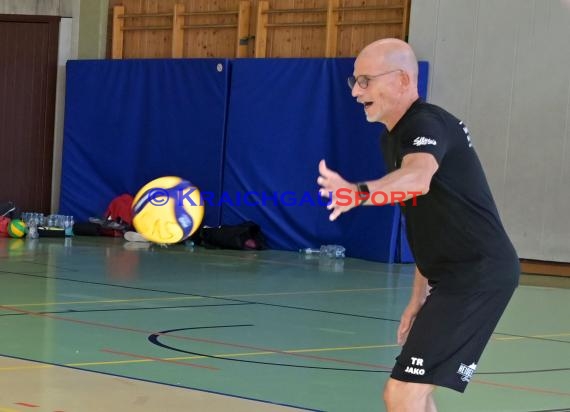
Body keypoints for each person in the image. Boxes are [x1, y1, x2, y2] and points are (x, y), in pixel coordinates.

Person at [317, 38, 519, 412]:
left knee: (402, 393)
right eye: (354, 82)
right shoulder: (392, 138)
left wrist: (359, 193)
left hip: (478, 274)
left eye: (366, 81)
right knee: (415, 393)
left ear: (403, 81)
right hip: (453, 279)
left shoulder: (427, 124)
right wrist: (418, 296)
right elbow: (421, 218)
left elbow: (418, 179)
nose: (357, 92)